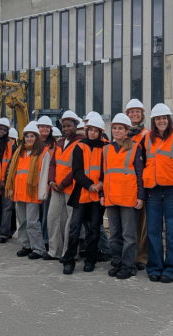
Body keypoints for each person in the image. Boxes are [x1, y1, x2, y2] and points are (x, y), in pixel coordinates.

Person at [142, 104, 173, 283]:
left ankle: (171, 270)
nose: (161, 121)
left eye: (164, 118)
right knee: (153, 231)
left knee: (172, 231)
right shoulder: (146, 139)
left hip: (172, 190)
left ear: (169, 119)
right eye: (158, 118)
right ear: (153, 121)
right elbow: (142, 164)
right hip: (152, 190)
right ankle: (155, 268)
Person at [102, 113, 145, 280]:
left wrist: (140, 196)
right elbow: (104, 174)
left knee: (129, 236)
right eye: (114, 128)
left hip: (128, 197)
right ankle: (117, 262)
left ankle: (129, 266)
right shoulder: (106, 149)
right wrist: (102, 194)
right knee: (114, 235)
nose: (117, 131)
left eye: (120, 128)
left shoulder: (135, 148)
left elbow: (140, 174)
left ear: (127, 131)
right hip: (111, 197)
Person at [62, 116, 107, 275]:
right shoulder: (79, 146)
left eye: (96, 131)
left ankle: (90, 260)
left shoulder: (106, 148)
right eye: (90, 130)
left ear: (100, 132)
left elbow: (107, 168)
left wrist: (101, 183)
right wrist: (90, 185)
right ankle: (69, 260)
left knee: (94, 228)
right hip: (82, 193)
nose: (92, 133)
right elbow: (76, 171)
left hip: (97, 194)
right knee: (75, 227)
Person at [5, 122, 50, 259]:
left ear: (37, 137)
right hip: (19, 193)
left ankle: (38, 248)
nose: (29, 139)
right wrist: (12, 190)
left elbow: (44, 174)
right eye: (27, 136)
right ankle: (26, 245)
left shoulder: (43, 153)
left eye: (32, 136)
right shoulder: (19, 151)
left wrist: (42, 193)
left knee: (32, 222)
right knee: (23, 221)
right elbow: (14, 173)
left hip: (32, 193)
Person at [45, 111, 84, 260]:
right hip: (57, 188)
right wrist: (51, 181)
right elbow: (53, 164)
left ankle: (69, 253)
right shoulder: (60, 143)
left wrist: (63, 184)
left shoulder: (80, 143)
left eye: (69, 126)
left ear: (76, 126)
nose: (66, 128)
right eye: (64, 126)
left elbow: (77, 168)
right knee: (52, 217)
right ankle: (54, 251)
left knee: (70, 223)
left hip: (72, 188)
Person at [125, 98, 149, 271]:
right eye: (132, 111)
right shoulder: (122, 133)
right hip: (125, 184)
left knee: (143, 222)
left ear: (142, 115)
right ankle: (128, 254)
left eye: (137, 111)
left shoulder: (147, 134)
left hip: (142, 182)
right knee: (128, 222)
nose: (135, 114)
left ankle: (141, 256)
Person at [37, 115, 57, 249]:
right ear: (38, 128)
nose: (45, 129)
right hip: (34, 183)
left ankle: (45, 240)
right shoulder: (33, 142)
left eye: (47, 127)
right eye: (42, 127)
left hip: (46, 184)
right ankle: (36, 240)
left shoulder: (54, 145)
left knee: (45, 213)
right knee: (35, 214)